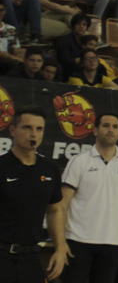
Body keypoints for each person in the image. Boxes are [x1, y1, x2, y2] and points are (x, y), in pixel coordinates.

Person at [59, 112, 118, 283]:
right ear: (95, 130)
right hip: (77, 242)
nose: (111, 130)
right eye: (106, 125)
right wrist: (61, 242)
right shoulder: (79, 161)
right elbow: (62, 205)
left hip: (112, 243)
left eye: (115, 126)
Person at [0, 106, 68, 283]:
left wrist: (60, 248)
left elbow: (55, 211)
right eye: (27, 127)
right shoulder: (2, 166)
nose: (34, 134)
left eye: (39, 129)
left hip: (31, 256)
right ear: (13, 130)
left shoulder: (50, 169)